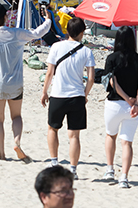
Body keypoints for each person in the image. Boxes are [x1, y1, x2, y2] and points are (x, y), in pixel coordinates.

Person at [0, 1, 51, 161]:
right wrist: (48, 20)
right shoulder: (16, 33)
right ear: (6, 16)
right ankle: (16, 141)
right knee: (16, 117)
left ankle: (1, 155)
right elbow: (37, 33)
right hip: (15, 82)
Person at [41, 15, 97, 178]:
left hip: (58, 94)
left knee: (53, 128)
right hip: (77, 96)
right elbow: (91, 78)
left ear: (67, 31)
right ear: (82, 32)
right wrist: (85, 94)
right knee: (74, 136)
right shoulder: (87, 51)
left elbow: (50, 72)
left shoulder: (56, 47)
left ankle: (54, 163)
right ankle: (73, 169)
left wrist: (44, 92)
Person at [101, 27, 138, 188]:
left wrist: (127, 99)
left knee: (110, 136)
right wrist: (136, 102)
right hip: (133, 108)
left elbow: (112, 81)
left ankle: (109, 170)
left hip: (114, 103)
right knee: (127, 142)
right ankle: (124, 177)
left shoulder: (111, 58)